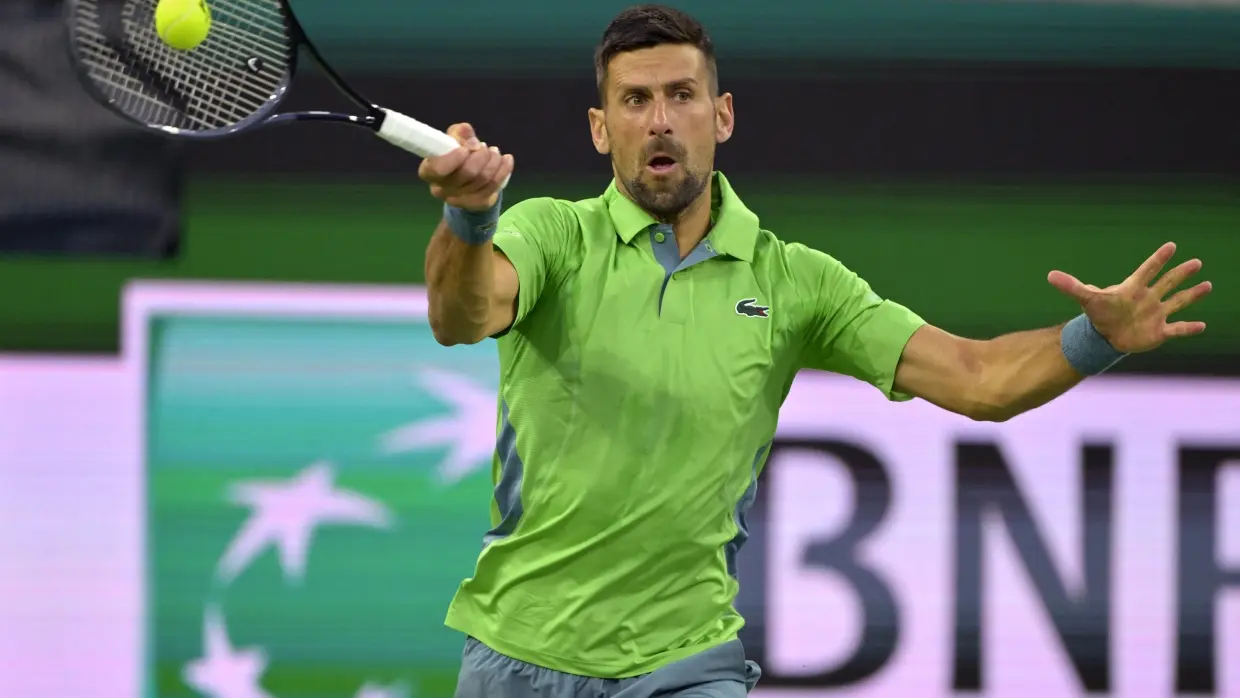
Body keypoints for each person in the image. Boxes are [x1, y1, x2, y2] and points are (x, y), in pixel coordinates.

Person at [416, 5, 1212, 697]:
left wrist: (1095, 338)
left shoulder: (796, 282)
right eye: (635, 100)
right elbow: (461, 315)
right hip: (520, 654)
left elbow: (978, 380)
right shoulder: (553, 233)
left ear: (722, 116)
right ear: (601, 128)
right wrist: (471, 219)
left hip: (682, 661)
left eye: (681, 96)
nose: (659, 120)